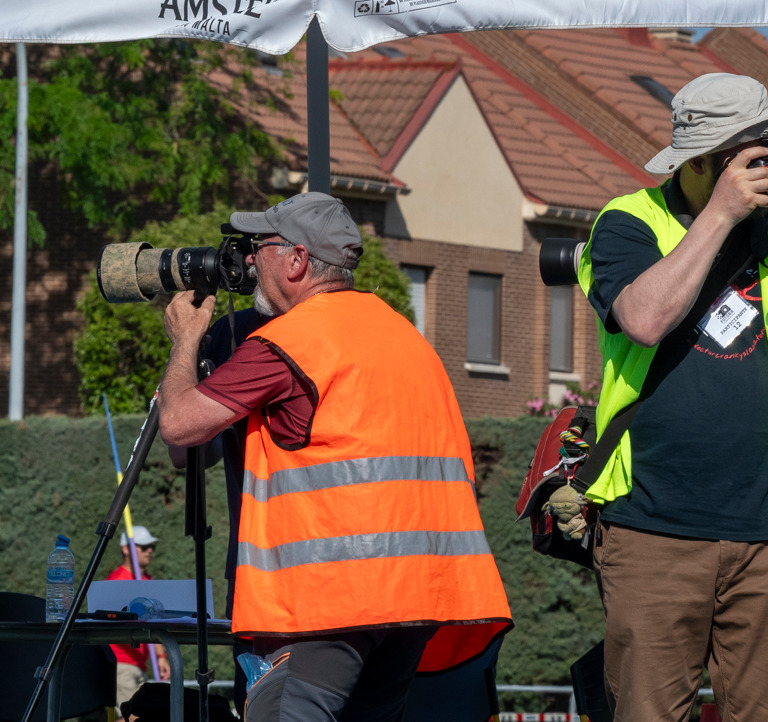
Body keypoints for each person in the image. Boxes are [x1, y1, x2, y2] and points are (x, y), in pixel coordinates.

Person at [575, 73, 768, 721]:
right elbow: (643, 319)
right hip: (653, 524)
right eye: (756, 155)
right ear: (704, 161)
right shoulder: (629, 222)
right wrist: (719, 217)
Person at [157, 192, 512, 721]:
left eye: (261, 246)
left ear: (297, 260)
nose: (250, 260)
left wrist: (186, 340)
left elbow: (179, 426)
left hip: (324, 602)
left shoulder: (289, 341)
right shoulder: (403, 335)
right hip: (413, 602)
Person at [164, 306, 266, 719]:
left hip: (265, 573)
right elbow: (185, 448)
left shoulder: (246, 333)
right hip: (254, 574)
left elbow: (179, 435)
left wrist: (184, 344)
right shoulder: (231, 331)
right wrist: (189, 347)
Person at [106, 525, 171, 721]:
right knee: (134, 717)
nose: (149, 551)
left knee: (139, 716)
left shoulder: (147, 580)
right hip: (121, 663)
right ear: (126, 549)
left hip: (139, 665)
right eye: (143, 547)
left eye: (152, 547)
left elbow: (154, 621)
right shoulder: (117, 581)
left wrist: (161, 656)